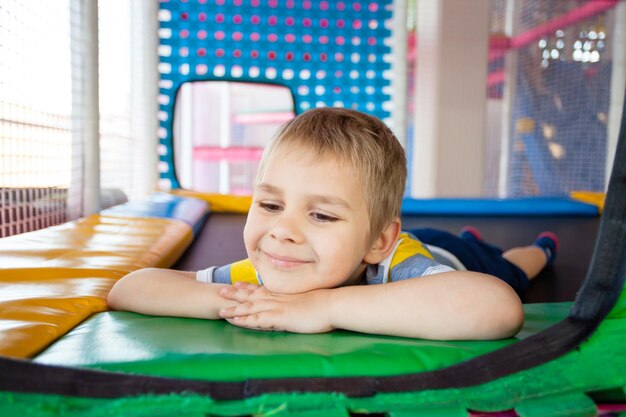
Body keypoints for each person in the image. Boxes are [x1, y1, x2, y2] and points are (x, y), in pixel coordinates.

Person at [107, 108, 558, 340]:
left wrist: (320, 307)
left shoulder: (398, 268)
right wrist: (239, 303)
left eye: (320, 215)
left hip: (446, 259)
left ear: (377, 241)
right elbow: (131, 288)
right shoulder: (263, 274)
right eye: (269, 205)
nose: (283, 231)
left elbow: (498, 307)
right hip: (412, 244)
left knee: (515, 268)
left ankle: (540, 245)